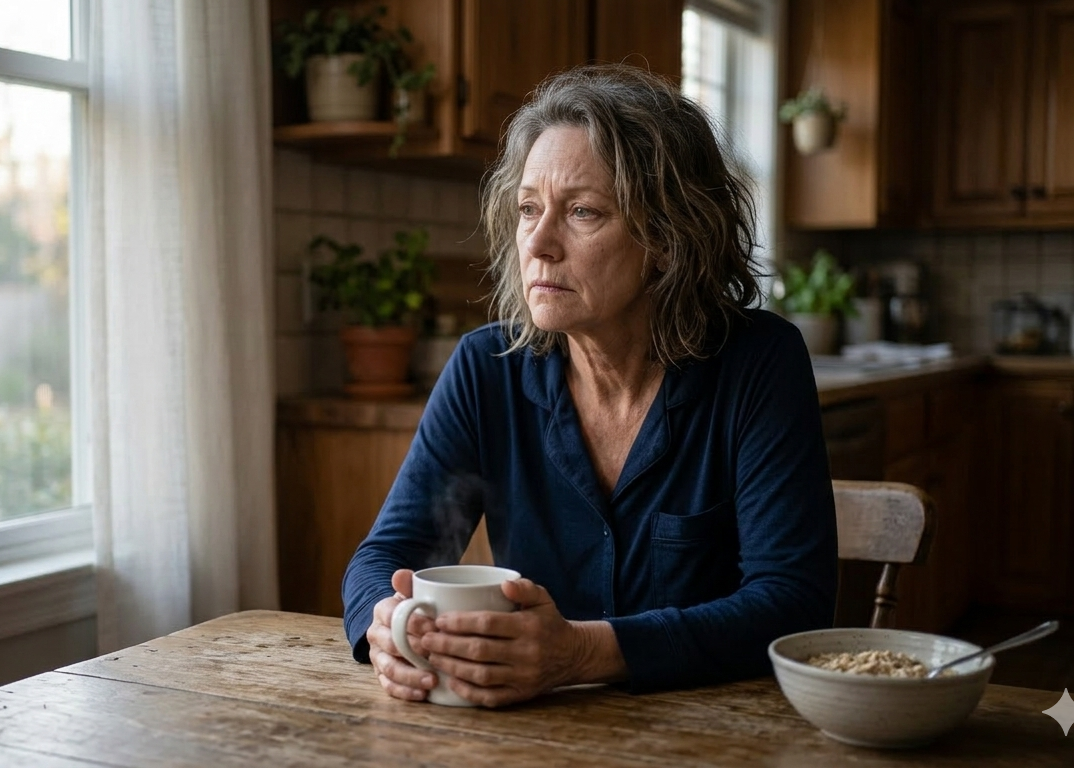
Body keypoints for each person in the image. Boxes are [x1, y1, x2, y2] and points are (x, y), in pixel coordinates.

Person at [341, 63, 838, 707]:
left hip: (714, 732)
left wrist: (582, 652)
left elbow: (792, 603)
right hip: (530, 733)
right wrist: (383, 626)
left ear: (668, 236)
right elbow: (385, 554)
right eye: (527, 209)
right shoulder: (486, 368)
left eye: (582, 211)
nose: (539, 244)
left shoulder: (757, 363)